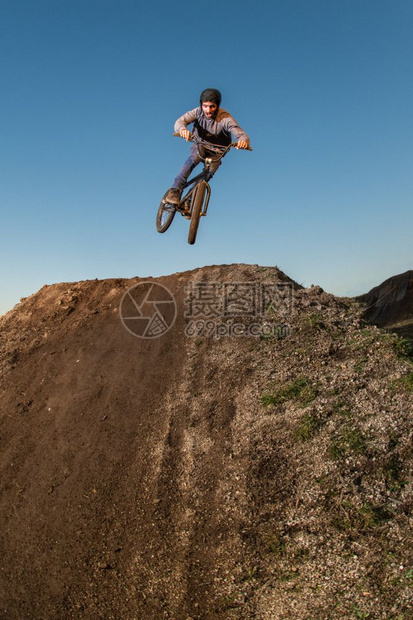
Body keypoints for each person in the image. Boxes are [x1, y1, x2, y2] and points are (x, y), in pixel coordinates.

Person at [165, 88, 250, 205]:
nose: (208, 110)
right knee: (193, 159)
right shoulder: (197, 112)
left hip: (218, 150)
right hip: (201, 145)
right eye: (205, 106)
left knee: (208, 174)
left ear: (217, 106)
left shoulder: (225, 118)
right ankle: (175, 190)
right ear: (201, 105)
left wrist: (243, 142)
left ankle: (189, 201)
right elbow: (180, 121)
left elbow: (241, 134)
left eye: (212, 106)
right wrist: (183, 129)